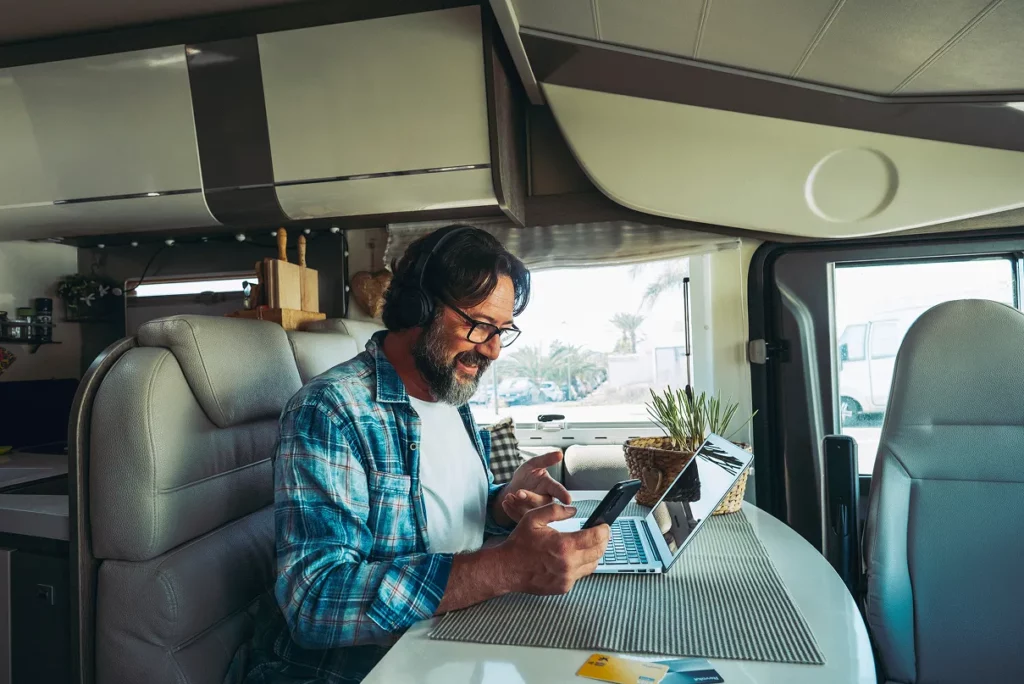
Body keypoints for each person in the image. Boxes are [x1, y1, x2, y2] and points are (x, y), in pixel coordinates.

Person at [230, 225, 609, 684]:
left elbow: (436, 519)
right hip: (361, 671)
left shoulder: (450, 395)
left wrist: (501, 503)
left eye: (502, 331)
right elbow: (314, 602)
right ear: (418, 307)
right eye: (479, 325)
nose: (492, 349)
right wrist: (504, 568)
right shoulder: (330, 411)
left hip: (451, 640)